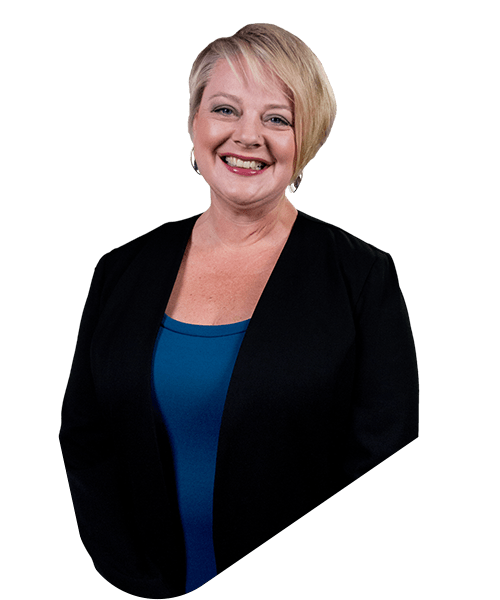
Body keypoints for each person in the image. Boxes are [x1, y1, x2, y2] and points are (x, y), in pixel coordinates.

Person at [58, 23, 419, 599]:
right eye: (225, 109)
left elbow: (386, 458)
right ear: (195, 124)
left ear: (308, 140)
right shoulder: (120, 269)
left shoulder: (362, 276)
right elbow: (85, 434)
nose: (248, 136)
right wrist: (129, 573)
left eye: (278, 118)